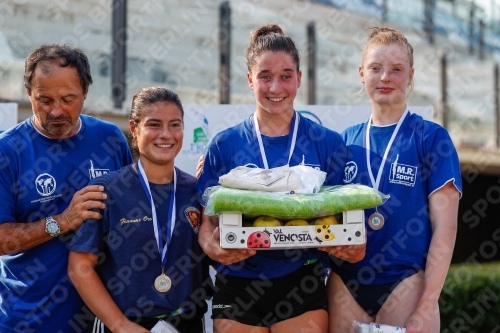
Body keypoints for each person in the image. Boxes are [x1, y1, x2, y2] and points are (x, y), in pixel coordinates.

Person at [196, 24, 365, 333]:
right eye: (265, 77)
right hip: (235, 284)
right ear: (249, 80)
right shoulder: (223, 144)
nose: (276, 87)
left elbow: (348, 219)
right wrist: (212, 246)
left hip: (302, 281)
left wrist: (355, 245)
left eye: (286, 76)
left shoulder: (328, 143)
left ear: (299, 78)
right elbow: (207, 226)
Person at [328, 27, 462, 333]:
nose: (385, 77)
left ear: (411, 75)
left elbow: (446, 227)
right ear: (362, 73)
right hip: (345, 284)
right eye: (376, 68)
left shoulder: (432, 138)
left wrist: (428, 304)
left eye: (397, 69)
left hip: (405, 282)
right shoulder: (343, 143)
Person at [0, 44, 133, 333]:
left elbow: (132, 212)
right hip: (28, 322)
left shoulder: (110, 138)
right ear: (29, 94)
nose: (56, 110)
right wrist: (62, 221)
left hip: (102, 321)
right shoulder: (7, 151)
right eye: (44, 99)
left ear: (85, 93)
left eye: (68, 99)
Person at [67, 87, 212, 333]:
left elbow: (217, 256)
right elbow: (79, 268)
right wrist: (120, 325)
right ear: (134, 129)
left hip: (188, 324)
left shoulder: (198, 191)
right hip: (125, 326)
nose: (166, 135)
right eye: (154, 124)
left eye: (174, 125)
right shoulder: (106, 191)